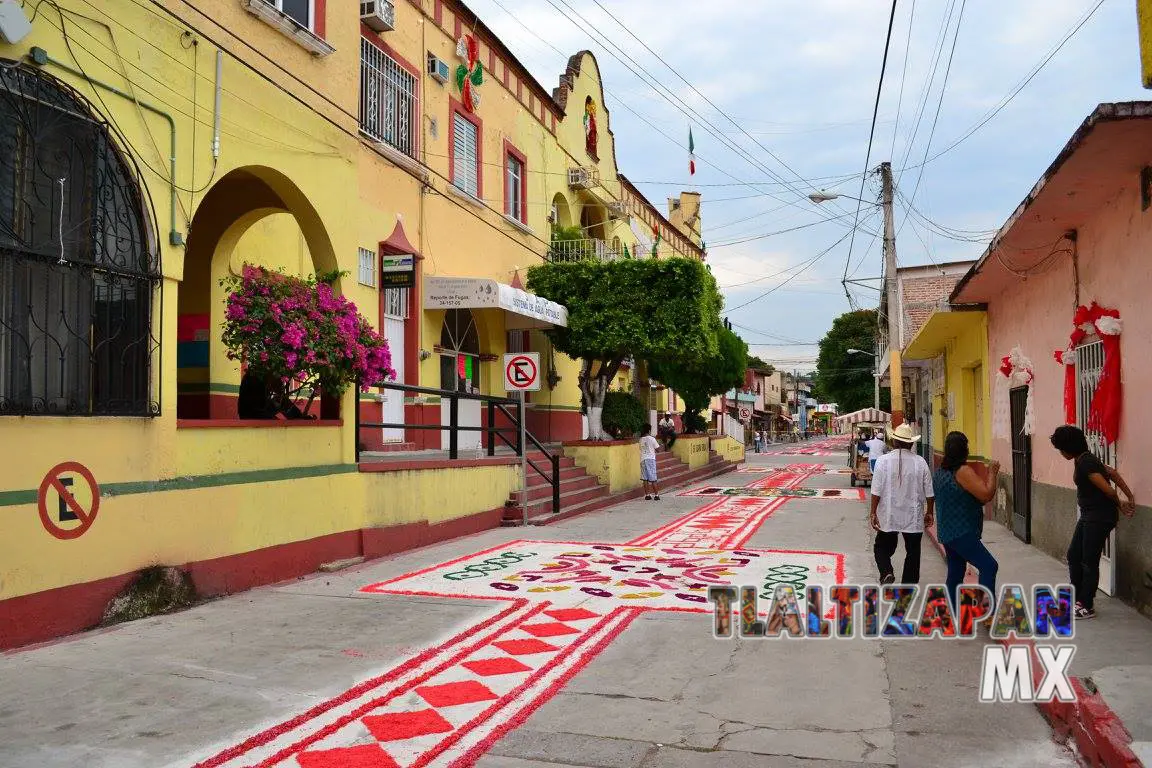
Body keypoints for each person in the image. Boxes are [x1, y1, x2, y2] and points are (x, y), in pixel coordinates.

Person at [1050, 425, 1136, 619]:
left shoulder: (1086, 462)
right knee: (1074, 555)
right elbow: (1112, 472)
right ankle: (1077, 597)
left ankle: (1086, 605)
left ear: (1069, 447)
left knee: (1089, 560)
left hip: (1099, 516)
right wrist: (1129, 495)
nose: (1061, 453)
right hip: (1090, 515)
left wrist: (1121, 503)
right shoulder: (1083, 458)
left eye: (1061, 449)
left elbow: (1109, 490)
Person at [934, 431, 1000, 618]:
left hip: (947, 531)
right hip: (962, 532)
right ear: (965, 449)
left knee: (955, 571)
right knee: (989, 566)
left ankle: (953, 612)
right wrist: (992, 473)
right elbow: (986, 495)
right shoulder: (962, 472)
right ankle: (988, 611)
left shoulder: (940, 472)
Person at [870, 423, 934, 585]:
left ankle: (886, 571)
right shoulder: (920, 462)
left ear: (894, 441)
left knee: (881, 547)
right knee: (913, 552)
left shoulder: (882, 461)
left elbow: (876, 490)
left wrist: (873, 512)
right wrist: (929, 512)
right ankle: (908, 589)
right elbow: (929, 492)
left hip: (889, 514)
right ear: (911, 444)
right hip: (913, 516)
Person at [639, 423, 661, 501]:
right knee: (653, 478)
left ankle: (647, 495)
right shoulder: (652, 439)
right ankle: (656, 495)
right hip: (650, 459)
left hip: (642, 459)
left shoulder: (641, 439)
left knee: (645, 478)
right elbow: (658, 449)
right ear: (649, 430)